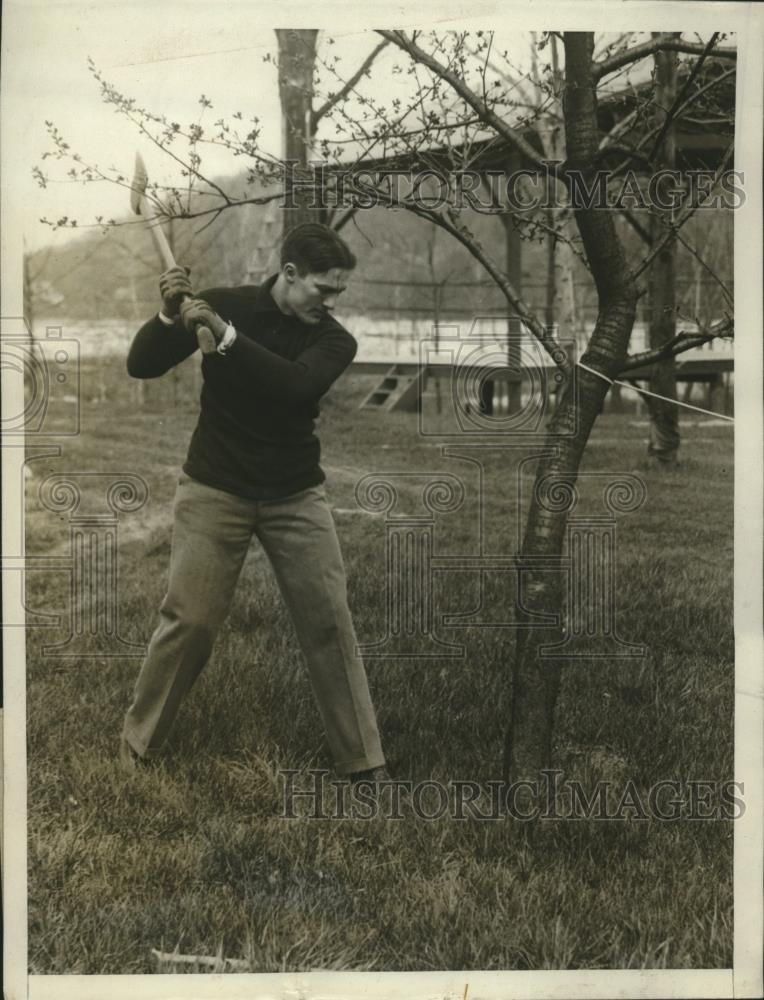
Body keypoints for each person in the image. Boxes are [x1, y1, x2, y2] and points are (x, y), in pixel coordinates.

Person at [120, 222, 386, 783]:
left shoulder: (334, 340)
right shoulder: (218, 304)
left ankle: (363, 763)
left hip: (295, 495)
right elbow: (141, 365)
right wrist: (170, 316)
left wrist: (226, 336)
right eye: (324, 288)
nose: (333, 302)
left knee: (328, 623)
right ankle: (138, 745)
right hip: (215, 486)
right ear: (289, 274)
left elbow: (292, 387)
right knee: (189, 621)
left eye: (340, 291)